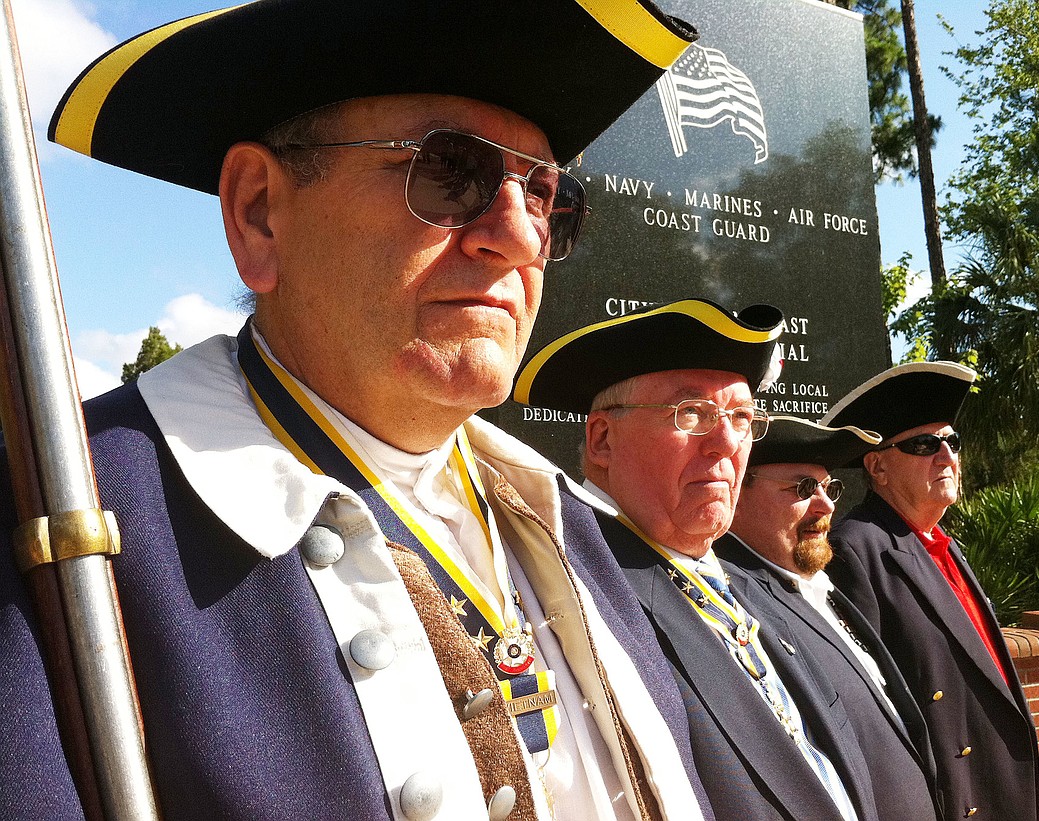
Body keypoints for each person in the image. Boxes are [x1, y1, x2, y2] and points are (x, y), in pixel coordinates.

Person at [0, 2, 714, 819]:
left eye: (547, 196)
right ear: (259, 212)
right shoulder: (70, 508)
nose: (517, 237)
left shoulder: (579, 527)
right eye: (452, 172)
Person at [513, 299, 881, 821]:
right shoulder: (575, 599)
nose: (726, 443)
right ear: (602, 439)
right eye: (692, 413)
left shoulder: (756, 588)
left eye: (741, 418)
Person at [823, 362, 1039, 821]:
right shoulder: (856, 548)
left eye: (951, 442)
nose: (945, 455)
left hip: (1000, 784)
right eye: (924, 445)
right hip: (952, 800)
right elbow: (869, 711)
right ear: (877, 465)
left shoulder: (944, 544)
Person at [722, 415, 942, 821]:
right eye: (804, 488)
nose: (826, 505)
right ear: (736, 494)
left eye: (830, 488)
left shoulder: (821, 586)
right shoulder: (736, 605)